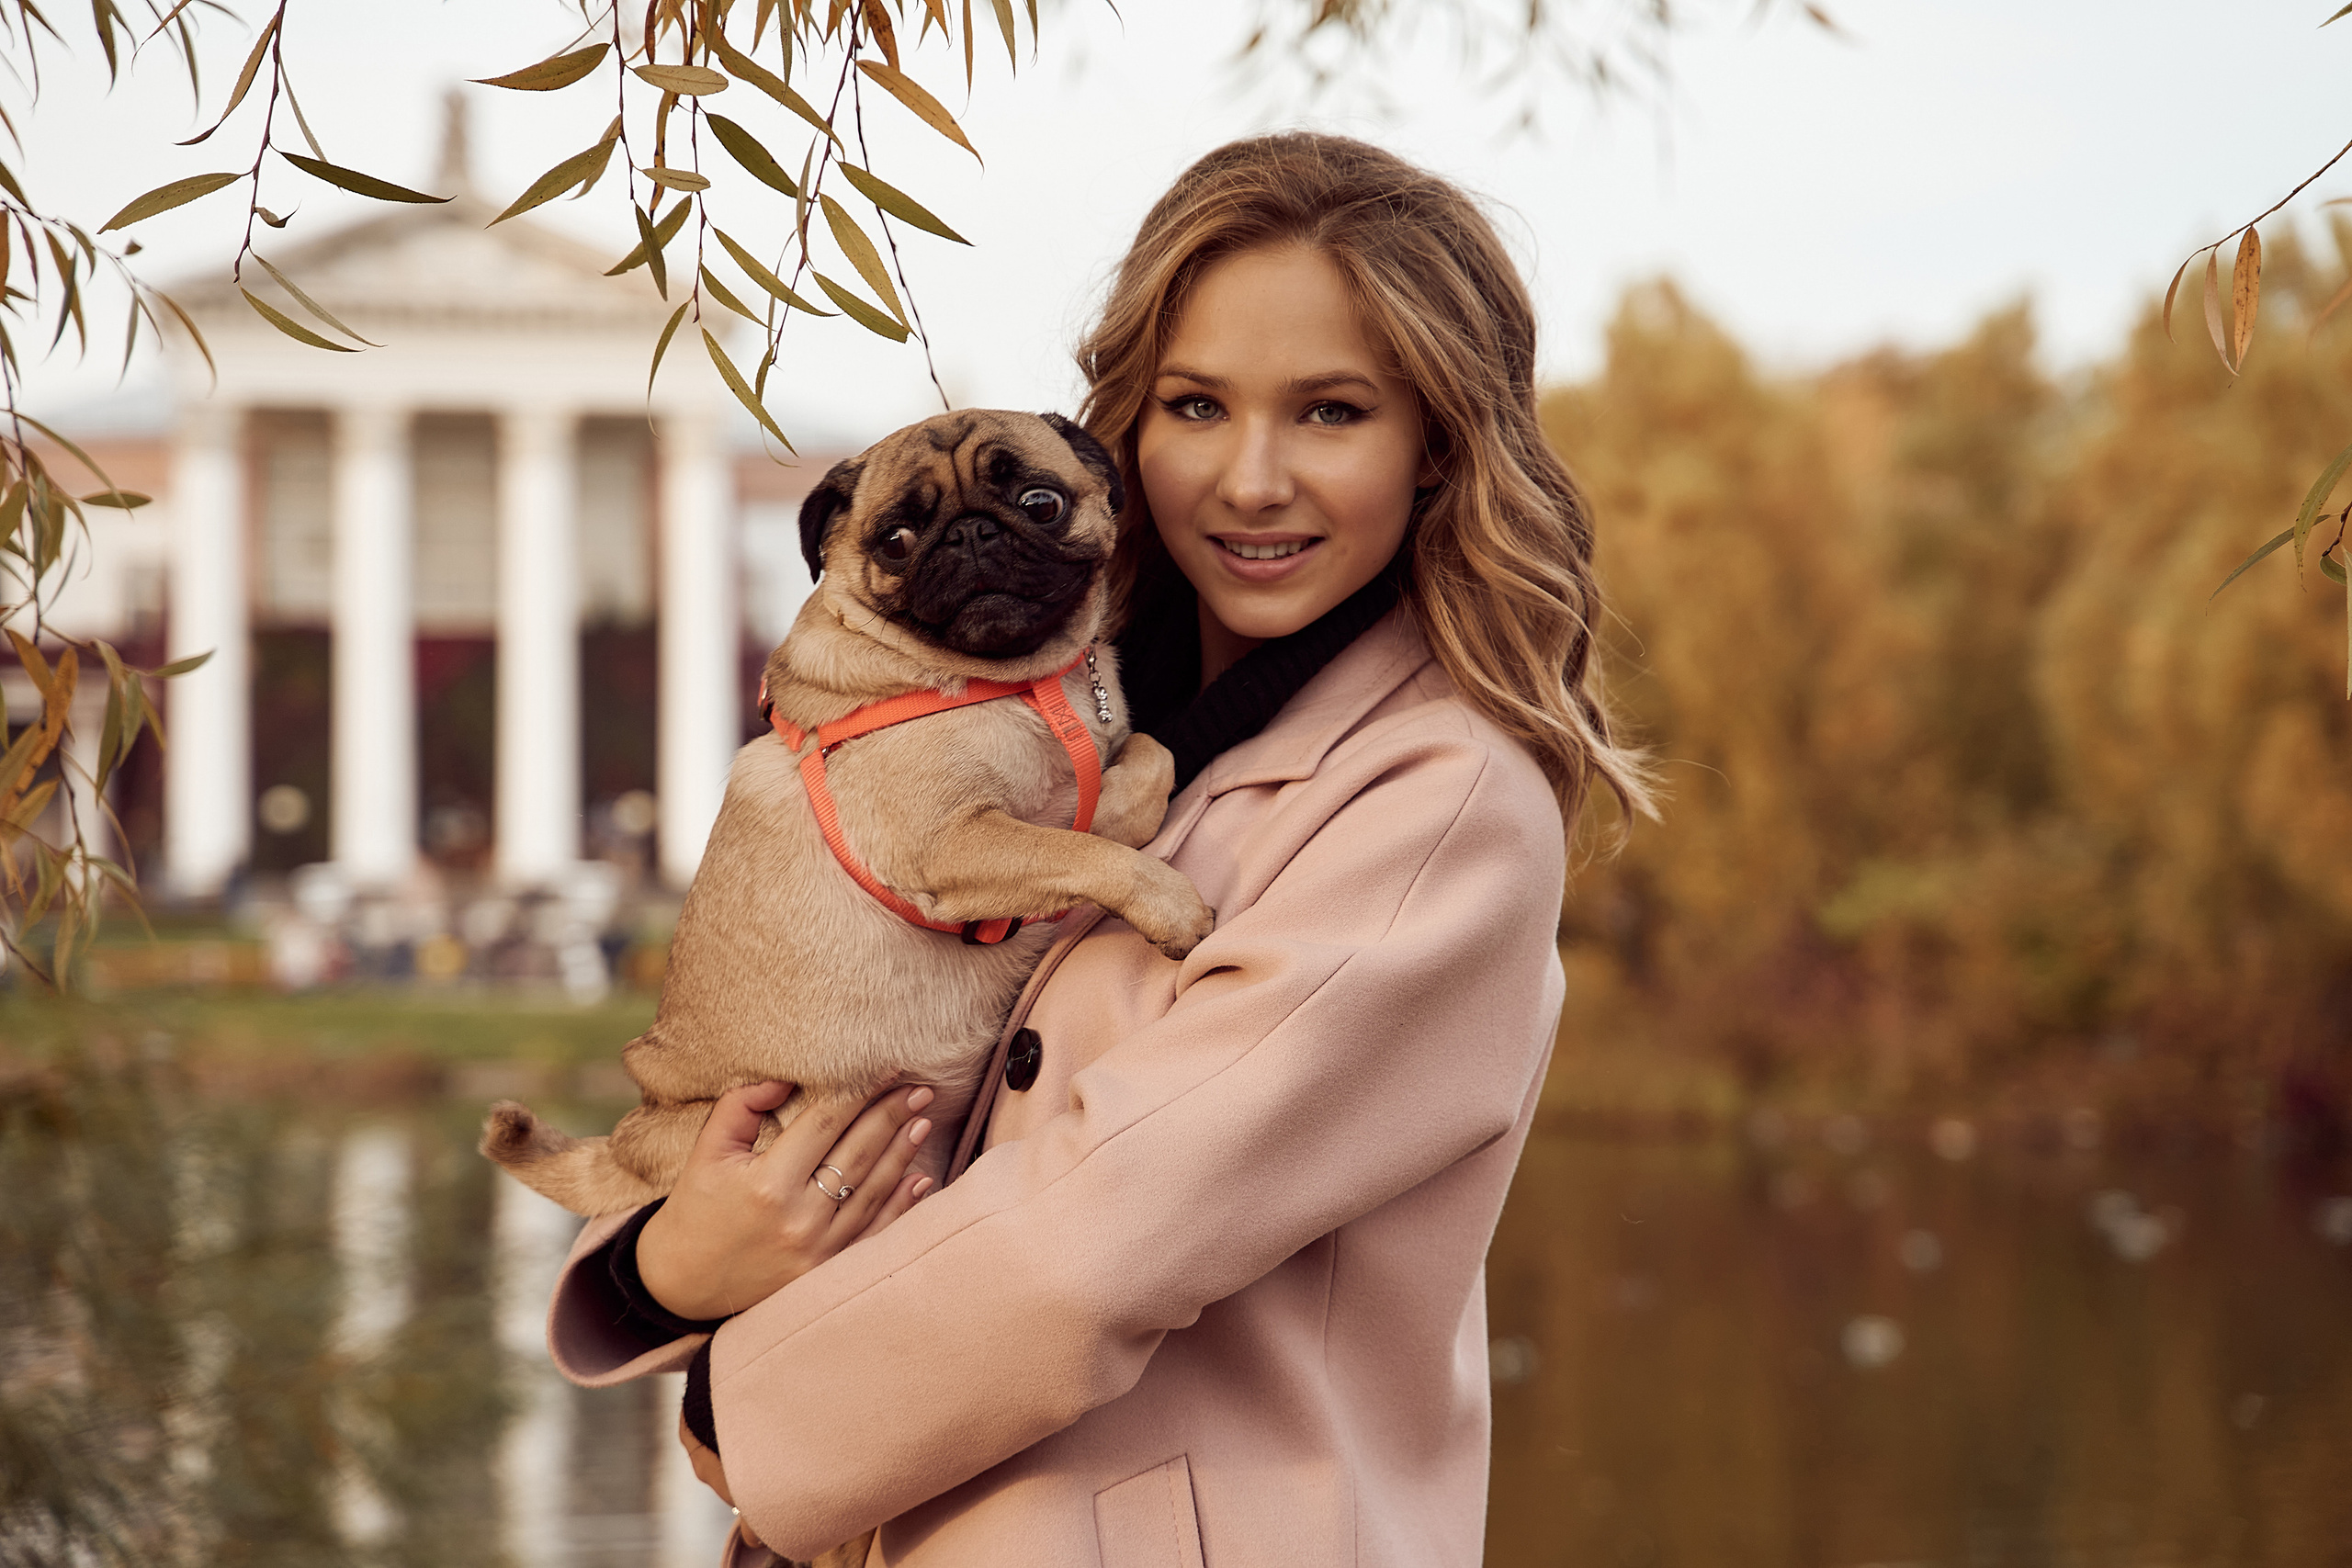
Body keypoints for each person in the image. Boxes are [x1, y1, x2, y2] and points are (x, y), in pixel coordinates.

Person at [542, 131, 1651, 1567]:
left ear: (1437, 442)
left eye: (1330, 413)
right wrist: (660, 1262)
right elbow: (791, 1019)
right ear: (1126, 432)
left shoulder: (1436, 804)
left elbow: (1094, 1241)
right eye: (1197, 405)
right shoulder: (1028, 719)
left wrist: (731, 1410)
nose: (1251, 479)